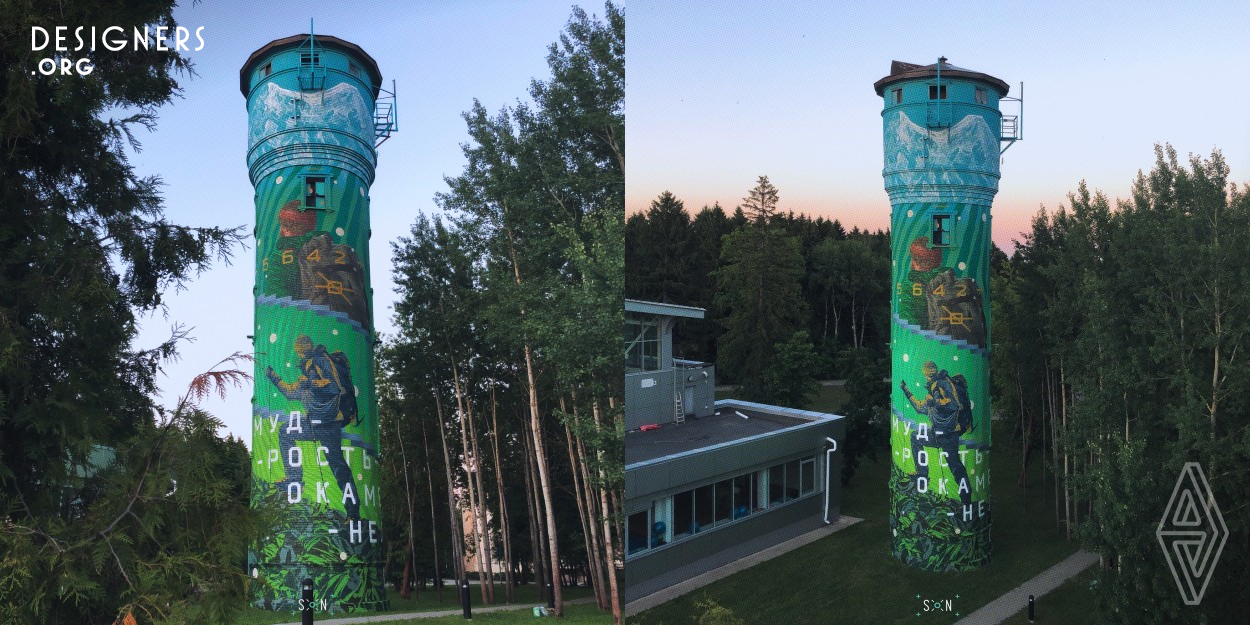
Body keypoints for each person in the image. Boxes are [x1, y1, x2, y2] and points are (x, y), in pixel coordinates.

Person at [267, 334, 360, 519]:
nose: (299, 354)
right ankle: (295, 479)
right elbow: (292, 393)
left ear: (305, 348)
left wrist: (311, 383)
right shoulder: (309, 366)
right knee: (286, 431)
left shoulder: (319, 362)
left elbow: (334, 388)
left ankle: (353, 514)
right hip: (314, 422)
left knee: (338, 467)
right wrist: (274, 378)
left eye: (300, 350)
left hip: (328, 423)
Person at [900, 360, 971, 505]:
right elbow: (921, 407)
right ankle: (966, 501)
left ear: (926, 373)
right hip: (945, 434)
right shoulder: (939, 387)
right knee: (916, 437)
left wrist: (934, 401)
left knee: (955, 466)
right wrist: (907, 391)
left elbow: (953, 405)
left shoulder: (939, 387)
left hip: (947, 434)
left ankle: (966, 501)